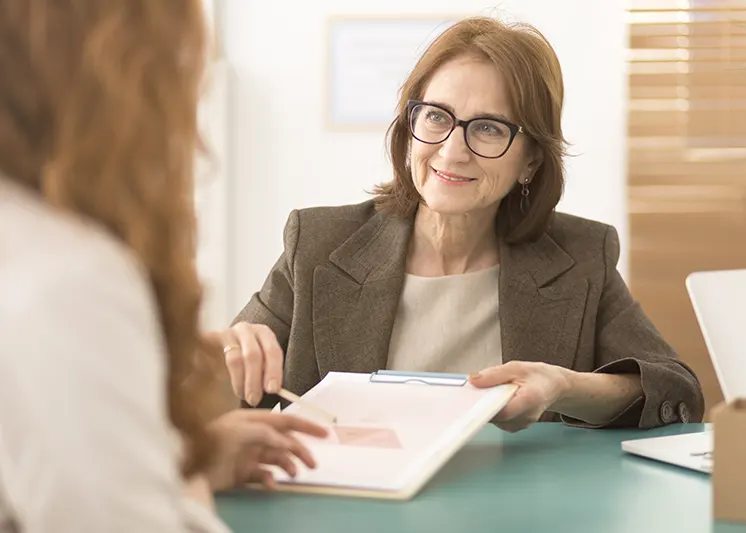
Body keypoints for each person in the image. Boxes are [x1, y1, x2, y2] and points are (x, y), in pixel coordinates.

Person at [216, 16, 705, 431]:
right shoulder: (318, 245)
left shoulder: (580, 256)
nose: (452, 150)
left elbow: (675, 390)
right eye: (436, 117)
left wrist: (564, 388)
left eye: (488, 128)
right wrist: (223, 355)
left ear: (531, 160)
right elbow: (209, 395)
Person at [0, 1, 327, 532]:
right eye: (178, 95)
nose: (195, 146)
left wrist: (173, 463)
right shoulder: (68, 280)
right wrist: (185, 479)